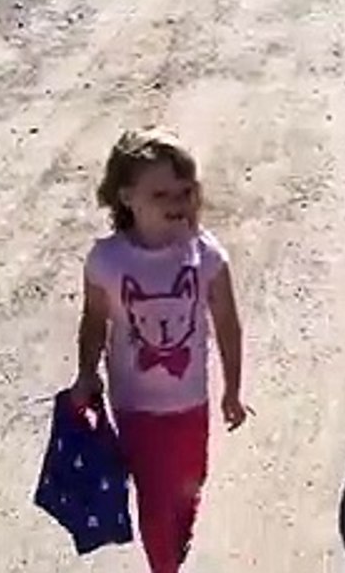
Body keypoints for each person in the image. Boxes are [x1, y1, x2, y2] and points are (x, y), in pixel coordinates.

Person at [70, 125, 251, 573]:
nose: (177, 203)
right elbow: (94, 321)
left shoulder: (206, 256)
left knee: (190, 484)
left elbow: (227, 324)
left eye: (185, 191)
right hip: (134, 405)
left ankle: (176, 537)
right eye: (161, 194)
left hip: (191, 401)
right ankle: (163, 563)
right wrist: (86, 373)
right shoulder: (108, 260)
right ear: (127, 197)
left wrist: (233, 388)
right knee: (154, 493)